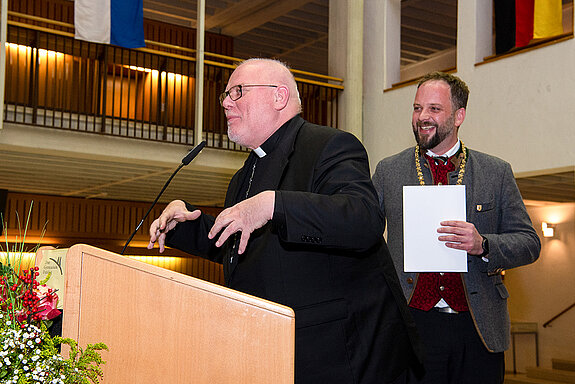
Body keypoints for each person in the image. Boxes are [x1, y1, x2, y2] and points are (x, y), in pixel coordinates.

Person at [147, 58, 422, 384]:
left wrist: (273, 205)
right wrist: (185, 224)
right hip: (266, 347)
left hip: (336, 353)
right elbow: (244, 247)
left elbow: (362, 219)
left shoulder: (329, 145)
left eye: (237, 91)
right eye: (225, 95)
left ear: (279, 97)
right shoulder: (243, 176)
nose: (224, 103)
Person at [372, 71, 541, 384]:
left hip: (478, 329)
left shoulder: (496, 171)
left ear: (459, 115)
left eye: (434, 109)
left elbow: (529, 243)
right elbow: (364, 236)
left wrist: (484, 244)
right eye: (417, 108)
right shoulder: (388, 170)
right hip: (411, 325)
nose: (422, 117)